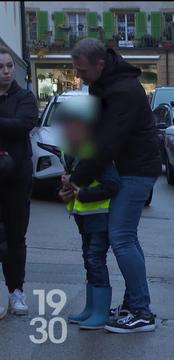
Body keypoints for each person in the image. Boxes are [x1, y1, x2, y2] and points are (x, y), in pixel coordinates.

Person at [68, 39, 161, 333]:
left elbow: (106, 143)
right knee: (126, 238)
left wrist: (76, 179)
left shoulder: (122, 91)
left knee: (121, 237)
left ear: (100, 64)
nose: (78, 75)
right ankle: (135, 303)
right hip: (130, 169)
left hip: (136, 170)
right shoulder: (106, 84)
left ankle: (141, 311)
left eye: (82, 70)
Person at [57, 96, 119, 330]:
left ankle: (100, 312)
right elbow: (71, 181)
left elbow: (112, 186)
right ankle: (91, 308)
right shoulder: (74, 150)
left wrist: (80, 194)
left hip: (99, 216)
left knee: (95, 259)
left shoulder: (95, 153)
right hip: (84, 217)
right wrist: (64, 192)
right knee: (89, 260)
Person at [0, 47, 38, 317]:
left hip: (16, 179)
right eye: (1, 67)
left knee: (16, 237)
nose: (6, 71)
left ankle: (16, 292)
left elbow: (23, 124)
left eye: (9, 66)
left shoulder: (25, 97)